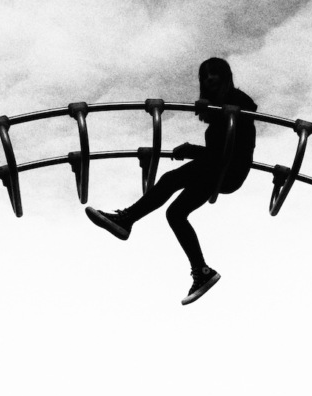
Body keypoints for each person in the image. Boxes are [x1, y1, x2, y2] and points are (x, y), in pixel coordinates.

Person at [85, 57, 257, 305]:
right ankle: (202, 271)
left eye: (215, 73)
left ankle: (126, 219)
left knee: (170, 179)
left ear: (226, 77)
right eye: (205, 76)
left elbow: (230, 143)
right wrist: (210, 112)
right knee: (175, 214)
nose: (210, 78)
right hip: (217, 169)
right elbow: (218, 150)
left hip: (228, 169)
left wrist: (192, 148)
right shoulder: (219, 113)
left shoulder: (237, 103)